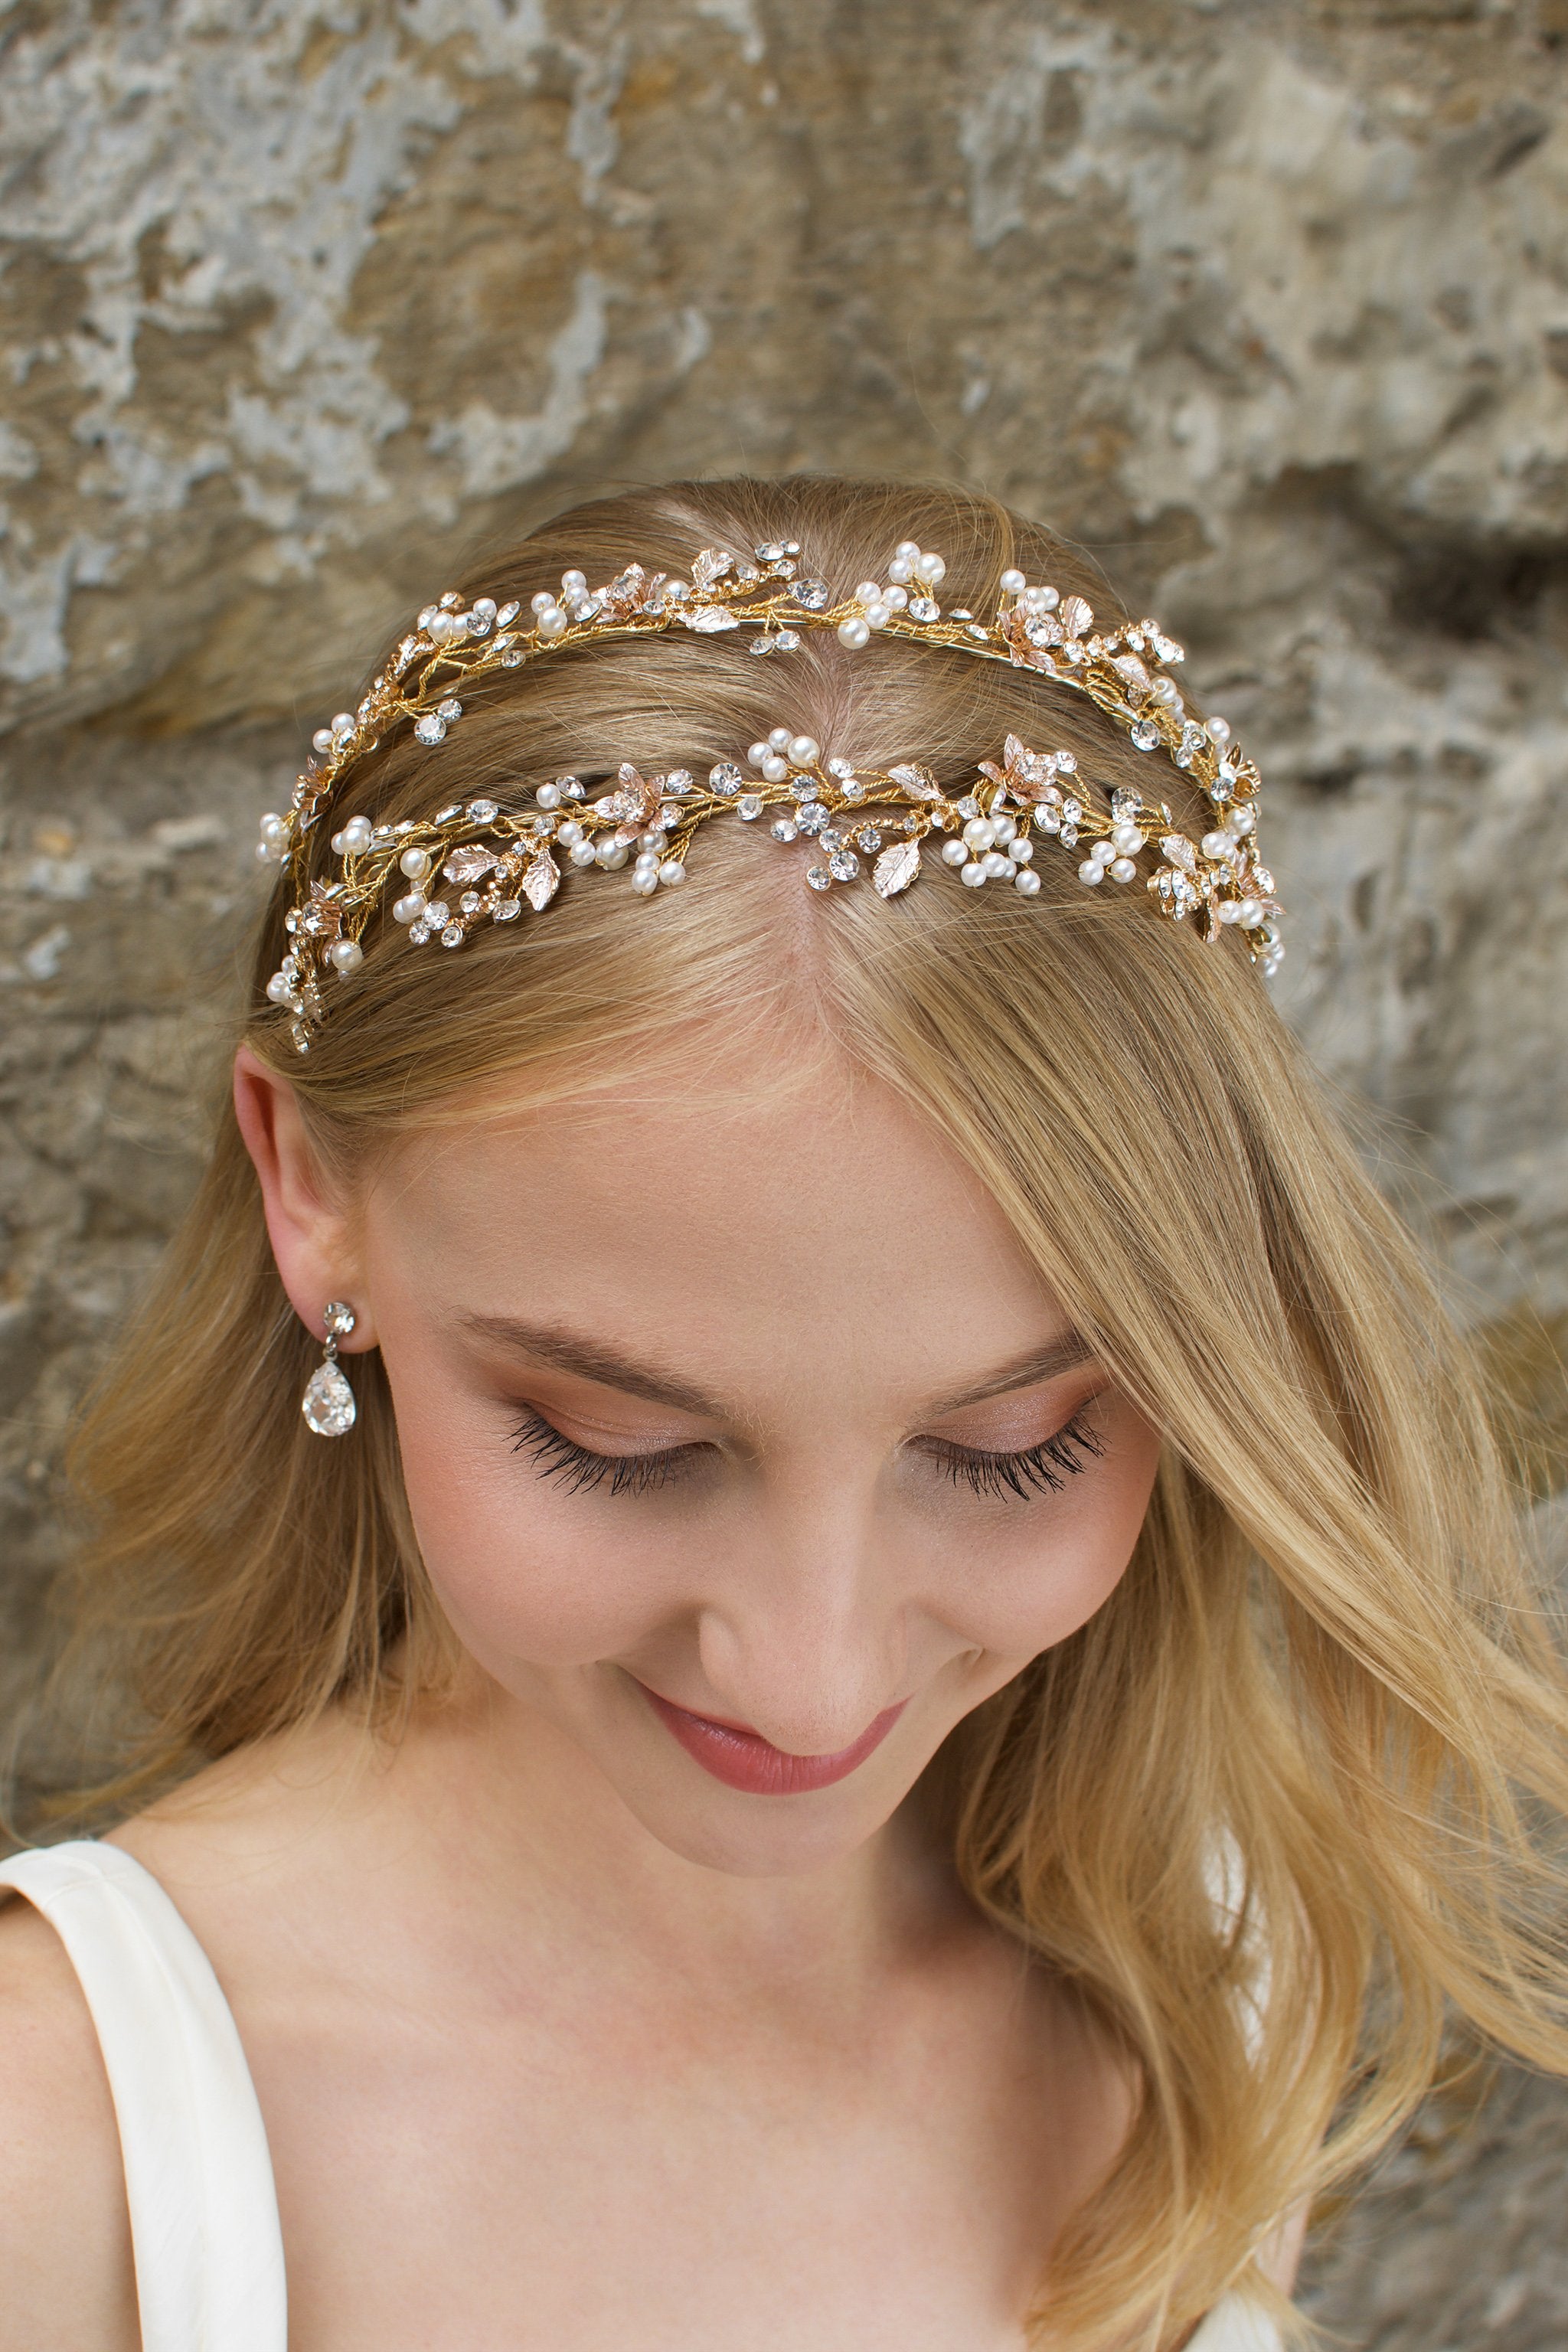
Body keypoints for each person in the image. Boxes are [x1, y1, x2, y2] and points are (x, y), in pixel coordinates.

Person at [2, 477, 1564, 2352]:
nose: (812, 1682)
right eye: (614, 1440)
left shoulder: (1193, 1979)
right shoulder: (67, 2148)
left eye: (1019, 1447)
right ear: (305, 1188)